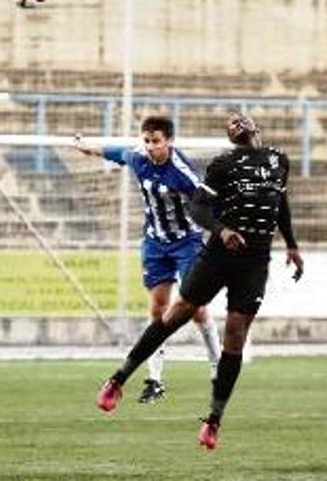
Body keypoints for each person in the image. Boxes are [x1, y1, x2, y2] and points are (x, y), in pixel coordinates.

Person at [95, 113, 304, 451]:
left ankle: (213, 421)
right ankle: (118, 379)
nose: (236, 123)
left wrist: (292, 245)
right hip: (219, 255)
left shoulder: (280, 159)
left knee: (235, 337)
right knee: (174, 315)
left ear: (255, 129)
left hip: (255, 261)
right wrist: (222, 230)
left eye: (241, 120)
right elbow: (198, 209)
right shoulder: (224, 165)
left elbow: (280, 203)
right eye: (231, 123)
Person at [74, 116, 221, 403]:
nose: (150, 146)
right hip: (155, 243)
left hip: (187, 242)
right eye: (147, 140)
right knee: (157, 309)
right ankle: (155, 379)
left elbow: (209, 202)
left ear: (169, 142)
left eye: (156, 141)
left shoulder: (184, 173)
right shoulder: (138, 157)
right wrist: (86, 147)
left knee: (196, 308)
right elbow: (115, 152)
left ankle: (218, 366)